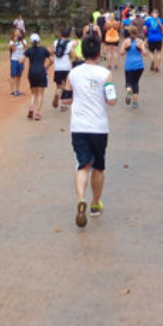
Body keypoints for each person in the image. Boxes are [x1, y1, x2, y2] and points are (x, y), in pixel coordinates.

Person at [63, 36, 117, 227]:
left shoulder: (73, 73)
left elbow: (65, 99)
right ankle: (95, 203)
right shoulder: (105, 74)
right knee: (99, 166)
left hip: (78, 126)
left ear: (83, 52)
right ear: (98, 52)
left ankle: (80, 199)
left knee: (83, 165)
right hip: (99, 127)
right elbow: (112, 100)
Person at [22, 33, 53, 121]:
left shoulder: (29, 50)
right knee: (40, 94)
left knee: (33, 93)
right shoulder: (43, 50)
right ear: (39, 40)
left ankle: (31, 107)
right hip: (41, 72)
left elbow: (21, 60)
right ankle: (37, 113)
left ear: (31, 42)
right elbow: (52, 60)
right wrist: (46, 67)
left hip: (31, 73)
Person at [120, 26, 146, 109]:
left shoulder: (126, 41)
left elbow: (121, 53)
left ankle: (128, 91)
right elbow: (145, 53)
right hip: (139, 65)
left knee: (128, 82)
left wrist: (127, 49)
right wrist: (139, 49)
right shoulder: (140, 42)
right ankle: (134, 102)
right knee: (135, 83)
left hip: (129, 65)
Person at [51, 27, 76, 112]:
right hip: (66, 66)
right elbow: (73, 55)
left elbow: (51, 52)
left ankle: (57, 94)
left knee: (58, 85)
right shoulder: (70, 43)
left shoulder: (55, 42)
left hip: (57, 67)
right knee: (65, 85)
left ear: (61, 34)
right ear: (68, 35)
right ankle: (63, 104)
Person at [7, 29, 25, 97]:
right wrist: (15, 41)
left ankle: (18, 90)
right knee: (13, 75)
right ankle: (13, 91)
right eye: (16, 32)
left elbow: (25, 48)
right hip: (14, 59)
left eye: (19, 33)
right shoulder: (11, 41)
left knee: (19, 76)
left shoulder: (23, 41)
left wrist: (22, 41)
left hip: (20, 60)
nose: (17, 34)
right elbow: (13, 49)